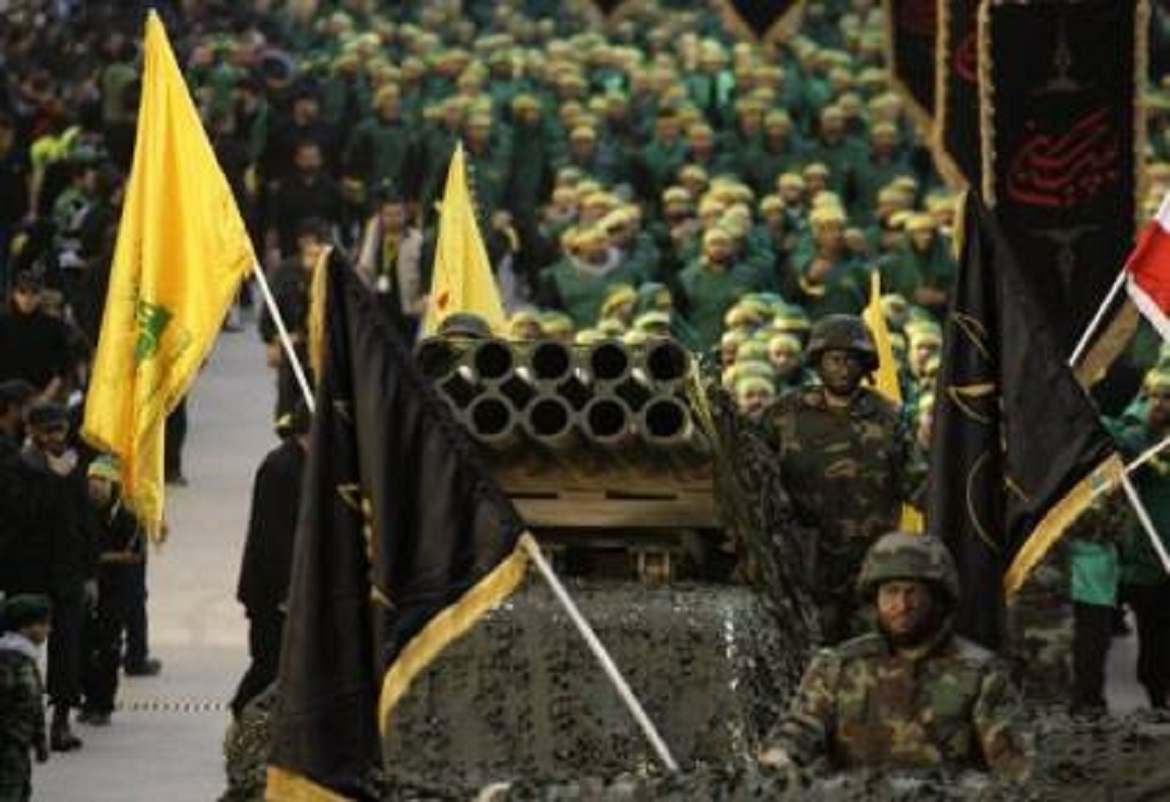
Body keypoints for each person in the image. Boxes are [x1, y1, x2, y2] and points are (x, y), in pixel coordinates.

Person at [759, 532, 1031, 781]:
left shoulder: (982, 673)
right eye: (891, 592)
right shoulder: (838, 666)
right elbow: (799, 729)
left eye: (913, 592)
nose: (901, 605)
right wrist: (780, 756)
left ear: (936, 597)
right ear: (875, 598)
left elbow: (1014, 765)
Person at [763, 314, 925, 643]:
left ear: (866, 365)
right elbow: (757, 482)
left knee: (871, 654)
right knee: (809, 653)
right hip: (806, 565)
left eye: (852, 359)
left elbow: (919, 484)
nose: (842, 368)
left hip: (871, 566)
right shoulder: (783, 415)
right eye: (834, 359)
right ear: (817, 362)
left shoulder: (889, 417)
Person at [231, 402, 310, 718]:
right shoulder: (280, 468)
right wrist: (287, 591)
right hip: (272, 593)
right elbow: (272, 538)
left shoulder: (306, 464)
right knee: (268, 664)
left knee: (282, 665)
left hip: (291, 589)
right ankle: (242, 712)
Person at [1115, 369, 1170, 709]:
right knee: (1153, 635)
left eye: (1167, 397)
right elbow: (1109, 445)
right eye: (1153, 396)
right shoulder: (1136, 440)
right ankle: (1157, 704)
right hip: (1150, 560)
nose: (1159, 403)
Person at [79, 455, 145, 726]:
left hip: (115, 591)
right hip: (84, 589)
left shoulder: (127, 516)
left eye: (102, 481)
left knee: (108, 648)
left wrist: (98, 558)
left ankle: (103, 704)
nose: (95, 486)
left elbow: (135, 555)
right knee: (82, 647)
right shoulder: (81, 512)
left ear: (115, 485)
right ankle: (88, 698)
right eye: (92, 480)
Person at [0, 594, 52, 802]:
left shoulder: (27, 659)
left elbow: (34, 706)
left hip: (19, 749)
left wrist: (40, 742)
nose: (49, 629)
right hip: (7, 749)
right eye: (43, 624)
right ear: (24, 628)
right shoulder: (7, 663)